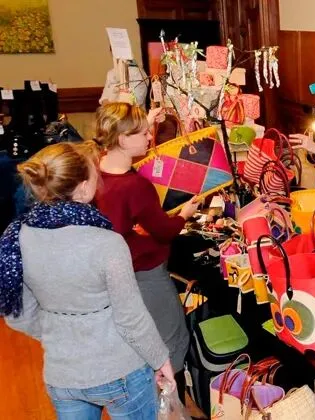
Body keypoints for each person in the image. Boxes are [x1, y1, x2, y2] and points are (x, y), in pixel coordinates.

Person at [2, 142, 173, 419]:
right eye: (96, 174)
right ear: (82, 189)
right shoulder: (107, 242)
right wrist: (160, 359)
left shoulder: (16, 238)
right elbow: (131, 319)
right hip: (121, 370)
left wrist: (59, 330)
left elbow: (16, 313)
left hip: (63, 374)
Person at [94, 102, 199, 400]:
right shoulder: (135, 185)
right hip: (145, 274)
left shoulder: (96, 170)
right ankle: (167, 406)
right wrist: (185, 215)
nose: (150, 137)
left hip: (115, 274)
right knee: (171, 339)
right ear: (123, 139)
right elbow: (164, 230)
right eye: (143, 133)